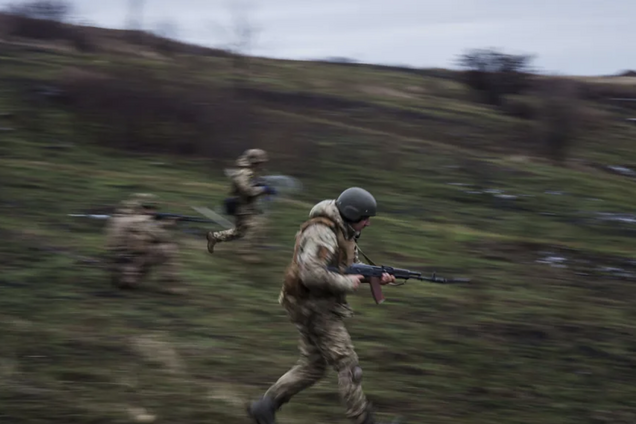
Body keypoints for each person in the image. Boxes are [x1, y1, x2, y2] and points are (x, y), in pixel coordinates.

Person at [247, 187, 398, 424]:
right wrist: (346, 283)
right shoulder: (321, 232)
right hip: (313, 307)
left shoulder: (344, 231)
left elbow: (350, 267)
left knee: (313, 366)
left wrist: (376, 278)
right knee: (348, 365)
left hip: (313, 303)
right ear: (351, 213)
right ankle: (363, 420)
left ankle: (265, 406)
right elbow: (311, 274)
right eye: (366, 218)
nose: (368, 223)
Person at [104, 193, 185, 294]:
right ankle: (171, 286)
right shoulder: (143, 221)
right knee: (169, 248)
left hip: (117, 262)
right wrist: (169, 224)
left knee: (142, 249)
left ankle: (126, 278)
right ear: (140, 207)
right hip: (136, 262)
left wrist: (161, 223)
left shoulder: (119, 218)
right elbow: (162, 237)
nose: (153, 211)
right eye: (149, 208)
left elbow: (136, 230)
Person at [206, 149, 276, 257]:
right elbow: (247, 190)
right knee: (257, 226)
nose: (262, 165)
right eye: (261, 162)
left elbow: (254, 187)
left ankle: (215, 237)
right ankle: (246, 253)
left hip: (248, 206)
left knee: (239, 232)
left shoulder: (252, 173)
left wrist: (264, 189)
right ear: (254, 161)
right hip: (242, 207)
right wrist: (263, 189)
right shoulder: (243, 173)